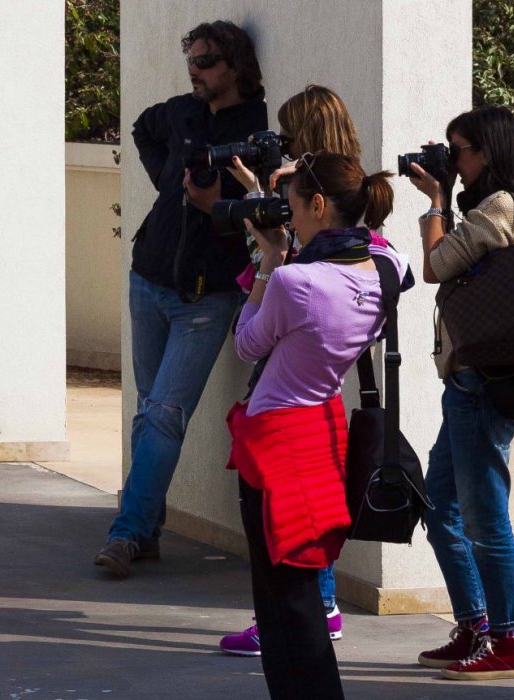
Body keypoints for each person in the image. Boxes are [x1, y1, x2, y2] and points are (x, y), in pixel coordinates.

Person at [227, 152, 406, 699]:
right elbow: (380, 248)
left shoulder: (295, 282)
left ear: (320, 204)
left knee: (285, 603)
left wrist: (268, 260)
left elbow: (246, 342)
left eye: (297, 206)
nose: (291, 217)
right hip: (324, 435)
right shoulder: (387, 270)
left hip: (276, 442)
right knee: (299, 589)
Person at [95, 21, 266, 578]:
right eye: (191, 60)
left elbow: (259, 222)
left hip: (206, 297)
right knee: (150, 415)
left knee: (164, 414)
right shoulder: (178, 112)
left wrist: (218, 205)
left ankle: (126, 532)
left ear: (235, 66)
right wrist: (171, 182)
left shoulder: (256, 130)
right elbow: (143, 130)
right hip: (148, 280)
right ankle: (144, 529)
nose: (195, 70)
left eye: (206, 61)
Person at [218, 83, 363, 656]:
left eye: (288, 134)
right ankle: (313, 605)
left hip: (288, 356)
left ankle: (301, 609)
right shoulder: (346, 192)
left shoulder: (318, 199)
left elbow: (286, 271)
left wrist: (268, 229)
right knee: (311, 492)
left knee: (282, 496)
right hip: (316, 364)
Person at [406, 105, 514, 681]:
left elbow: (436, 265)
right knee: (440, 508)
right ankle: (474, 624)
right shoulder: (508, 204)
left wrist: (435, 201)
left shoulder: (504, 205)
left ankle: (508, 639)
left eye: (460, 150)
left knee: (483, 515)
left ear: (486, 153)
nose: (454, 162)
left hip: (484, 382)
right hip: (469, 381)